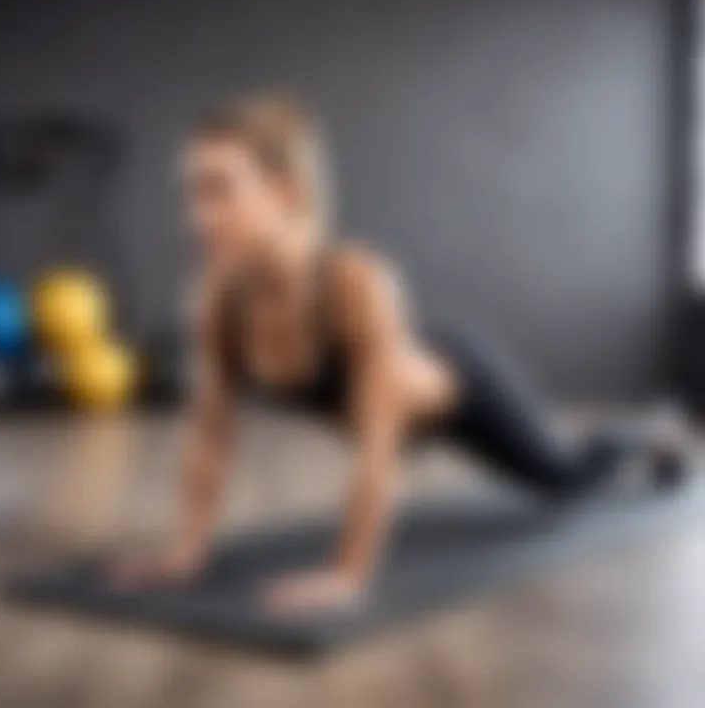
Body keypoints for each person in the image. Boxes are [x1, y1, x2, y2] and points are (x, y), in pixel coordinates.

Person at [110, 95, 681, 613]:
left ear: (284, 190)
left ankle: (649, 432)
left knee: (563, 480)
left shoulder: (357, 283)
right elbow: (210, 435)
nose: (196, 216)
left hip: (461, 389)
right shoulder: (218, 298)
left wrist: (348, 576)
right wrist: (186, 551)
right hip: (396, 378)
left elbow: (379, 452)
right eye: (191, 193)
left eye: (219, 190)